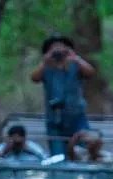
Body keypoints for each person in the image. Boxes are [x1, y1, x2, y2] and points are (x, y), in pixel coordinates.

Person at [30, 34, 103, 162]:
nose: (58, 52)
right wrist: (45, 61)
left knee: (89, 142)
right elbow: (34, 78)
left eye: (61, 48)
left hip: (77, 117)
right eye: (54, 49)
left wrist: (75, 58)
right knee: (58, 157)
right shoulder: (46, 67)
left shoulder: (75, 65)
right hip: (54, 120)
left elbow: (90, 72)